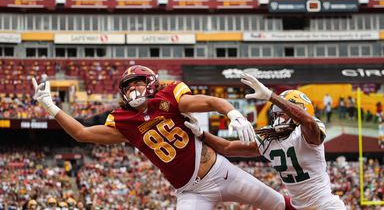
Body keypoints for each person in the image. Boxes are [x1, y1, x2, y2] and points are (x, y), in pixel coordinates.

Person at [32, 65, 290, 210]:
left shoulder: (171, 96)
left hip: (222, 172)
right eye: (128, 87)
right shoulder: (124, 121)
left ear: (151, 83)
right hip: (191, 192)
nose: (133, 90)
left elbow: (212, 100)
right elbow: (81, 133)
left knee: (278, 204)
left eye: (138, 83)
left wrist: (233, 113)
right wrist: (51, 108)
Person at [185, 73, 346, 210]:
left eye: (282, 113)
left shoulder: (308, 131)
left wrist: (271, 96)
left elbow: (308, 122)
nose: (277, 118)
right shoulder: (270, 140)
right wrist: (202, 134)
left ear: (300, 111)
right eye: (275, 115)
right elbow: (228, 147)